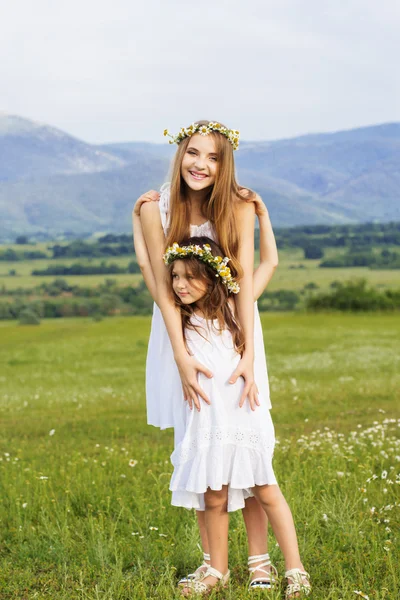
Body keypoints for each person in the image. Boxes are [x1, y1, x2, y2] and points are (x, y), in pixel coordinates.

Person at [132, 120, 282, 590]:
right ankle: (213, 563)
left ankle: (260, 561)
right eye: (193, 153)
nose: (201, 164)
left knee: (246, 445)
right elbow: (161, 287)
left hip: (235, 337)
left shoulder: (235, 206)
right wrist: (179, 357)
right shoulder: (158, 209)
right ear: (180, 154)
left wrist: (248, 357)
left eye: (213, 157)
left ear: (225, 164)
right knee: (201, 447)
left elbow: (245, 288)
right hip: (182, 338)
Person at [134, 225, 311, 597]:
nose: (180, 285)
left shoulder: (236, 306)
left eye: (190, 277)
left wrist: (262, 214)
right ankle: (217, 568)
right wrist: (138, 218)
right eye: (176, 277)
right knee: (213, 495)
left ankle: (295, 568)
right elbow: (147, 265)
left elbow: (270, 262)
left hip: (245, 415)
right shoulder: (178, 318)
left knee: (265, 490)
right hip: (206, 420)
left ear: (212, 277)